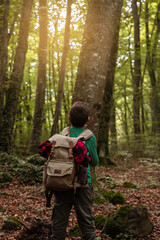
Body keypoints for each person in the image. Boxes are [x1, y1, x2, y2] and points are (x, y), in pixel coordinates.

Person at [51, 101, 99, 240]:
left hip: (62, 181)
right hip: (83, 183)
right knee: (86, 219)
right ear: (88, 119)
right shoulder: (89, 136)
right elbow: (95, 161)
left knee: (59, 218)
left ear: (68, 117)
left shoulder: (63, 133)